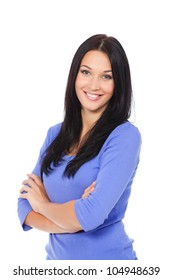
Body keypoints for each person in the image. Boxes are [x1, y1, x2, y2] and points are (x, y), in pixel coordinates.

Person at [18, 34, 142, 260]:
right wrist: (71, 221)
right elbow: (24, 205)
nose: (94, 85)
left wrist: (44, 205)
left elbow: (91, 215)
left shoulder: (124, 136)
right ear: (74, 75)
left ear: (119, 83)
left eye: (107, 76)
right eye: (86, 72)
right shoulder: (55, 133)